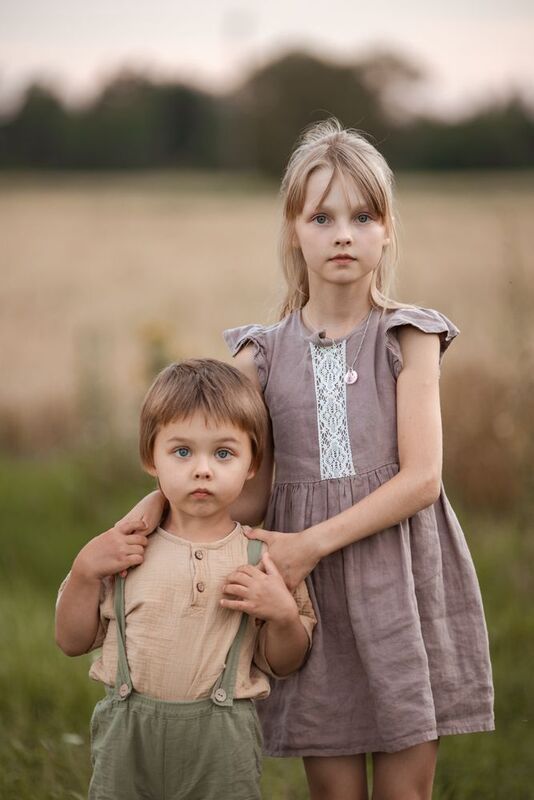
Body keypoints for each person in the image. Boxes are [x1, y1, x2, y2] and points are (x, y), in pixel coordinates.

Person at [120, 120, 494, 800]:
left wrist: (305, 547)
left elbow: (422, 480)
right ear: (294, 229)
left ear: (386, 231)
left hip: (398, 580)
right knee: (334, 793)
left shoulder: (407, 337)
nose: (343, 233)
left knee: (406, 792)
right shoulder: (258, 356)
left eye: (363, 215)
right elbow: (243, 487)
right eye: (322, 216)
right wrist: (150, 514)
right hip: (306, 600)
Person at [55, 358, 316, 800]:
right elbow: (71, 641)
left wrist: (284, 617)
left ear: (253, 464)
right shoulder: (125, 548)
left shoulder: (262, 558)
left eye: (223, 453)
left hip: (222, 747)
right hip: (127, 739)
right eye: (182, 451)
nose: (202, 469)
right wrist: (83, 572)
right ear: (149, 457)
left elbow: (286, 662)